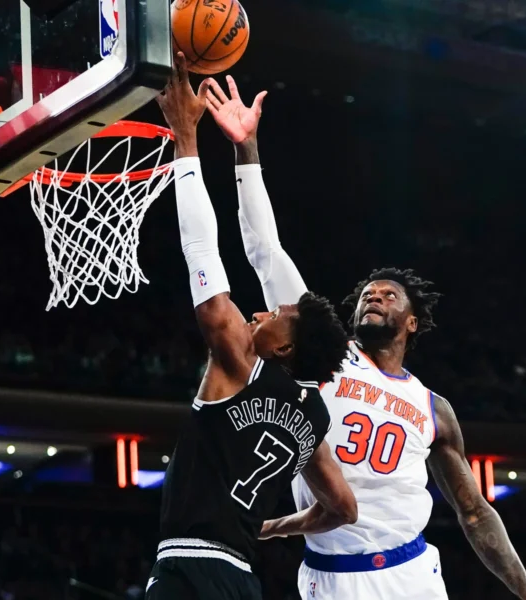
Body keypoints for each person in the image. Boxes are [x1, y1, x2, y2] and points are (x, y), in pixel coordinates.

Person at [203, 75, 526, 600]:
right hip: (334, 575)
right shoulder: (327, 357)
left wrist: (525, 590)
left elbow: (473, 510)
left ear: (412, 323)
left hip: (412, 572)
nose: (375, 296)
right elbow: (265, 249)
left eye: (390, 296)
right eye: (369, 293)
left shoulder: (434, 408)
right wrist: (246, 148)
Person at [148, 53, 358, 600]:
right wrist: (271, 526)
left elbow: (201, 249)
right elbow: (343, 505)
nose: (262, 311)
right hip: (242, 580)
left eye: (274, 315)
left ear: (285, 346)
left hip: (190, 570)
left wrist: (185, 141)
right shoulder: (311, 417)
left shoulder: (240, 360)